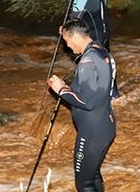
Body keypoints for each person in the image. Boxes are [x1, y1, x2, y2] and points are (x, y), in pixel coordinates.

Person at [47, 18, 117, 192]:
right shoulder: (100, 51)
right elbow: (95, 90)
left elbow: (87, 101)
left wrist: (61, 90)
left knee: (83, 184)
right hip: (105, 125)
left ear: (76, 37)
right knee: (92, 175)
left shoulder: (87, 63)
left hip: (92, 133)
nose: (68, 46)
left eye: (67, 41)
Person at [63, 0, 119, 98]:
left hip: (92, 39)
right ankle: (114, 94)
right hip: (105, 33)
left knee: (92, 69)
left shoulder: (80, 0)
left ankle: (93, 97)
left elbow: (73, 25)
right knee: (107, 64)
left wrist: (63, 29)